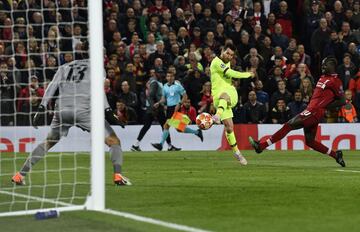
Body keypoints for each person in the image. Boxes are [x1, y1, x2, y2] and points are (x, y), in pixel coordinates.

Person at [11, 59, 131, 186]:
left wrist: (41, 108)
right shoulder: (97, 66)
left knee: (48, 142)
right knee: (114, 141)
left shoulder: (65, 66)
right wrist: (108, 111)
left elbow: (52, 86)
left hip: (62, 110)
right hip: (84, 111)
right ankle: (118, 176)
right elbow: (98, 90)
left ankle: (20, 175)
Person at [249, 57, 346, 167]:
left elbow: (342, 100)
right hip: (312, 110)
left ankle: (261, 146)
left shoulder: (335, 81)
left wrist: (324, 106)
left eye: (325, 65)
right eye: (322, 64)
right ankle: (336, 155)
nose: (323, 66)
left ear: (332, 66)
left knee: (288, 125)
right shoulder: (323, 77)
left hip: (314, 111)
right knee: (310, 142)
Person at [210, 43, 255, 165]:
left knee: (226, 94)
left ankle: (217, 116)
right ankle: (237, 153)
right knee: (229, 128)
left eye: (231, 55)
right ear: (222, 51)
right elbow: (230, 73)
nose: (229, 56)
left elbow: (229, 77)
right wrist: (248, 74)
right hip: (218, 97)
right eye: (227, 53)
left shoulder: (227, 62)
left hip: (229, 93)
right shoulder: (216, 62)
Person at [151, 71, 203, 151]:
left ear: (173, 77)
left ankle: (161, 144)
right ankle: (197, 132)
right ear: (166, 77)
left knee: (166, 125)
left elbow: (185, 96)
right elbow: (163, 98)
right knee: (179, 129)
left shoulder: (178, 86)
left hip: (176, 107)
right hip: (169, 108)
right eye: (168, 76)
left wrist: (179, 104)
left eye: (171, 76)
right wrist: (158, 103)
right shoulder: (164, 86)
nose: (169, 78)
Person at [131, 70, 178, 151]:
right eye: (159, 73)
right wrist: (154, 107)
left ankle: (136, 144)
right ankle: (170, 146)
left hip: (154, 107)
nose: (161, 75)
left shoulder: (156, 82)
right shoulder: (155, 82)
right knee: (165, 126)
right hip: (156, 108)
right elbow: (150, 96)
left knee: (148, 126)